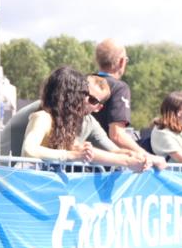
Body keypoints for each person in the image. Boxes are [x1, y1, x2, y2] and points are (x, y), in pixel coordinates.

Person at [20, 66, 149, 172]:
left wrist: (132, 156)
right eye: (82, 93)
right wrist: (71, 155)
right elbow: (29, 149)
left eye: (90, 98)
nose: (83, 99)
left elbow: (81, 150)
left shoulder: (64, 124)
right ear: (67, 95)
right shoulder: (43, 117)